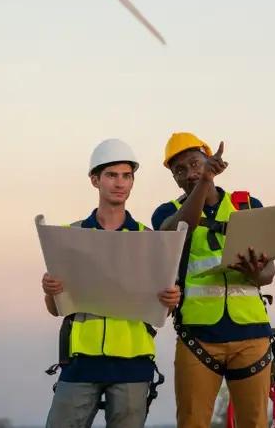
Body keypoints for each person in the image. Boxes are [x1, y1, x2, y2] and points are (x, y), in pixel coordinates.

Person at [42, 138, 181, 428]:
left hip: (133, 363)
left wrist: (170, 301)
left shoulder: (149, 240)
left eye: (126, 176)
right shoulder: (71, 236)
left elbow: (162, 313)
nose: (120, 183)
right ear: (95, 180)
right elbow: (56, 309)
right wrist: (49, 291)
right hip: (81, 361)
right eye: (111, 175)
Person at [151, 132, 275, 428]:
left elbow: (269, 275)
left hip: (252, 336)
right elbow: (179, 229)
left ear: (210, 160)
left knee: (255, 423)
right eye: (179, 170)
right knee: (192, 422)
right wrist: (205, 181)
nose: (190, 173)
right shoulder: (167, 213)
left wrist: (254, 271)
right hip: (198, 338)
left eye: (195, 163)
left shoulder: (246, 206)